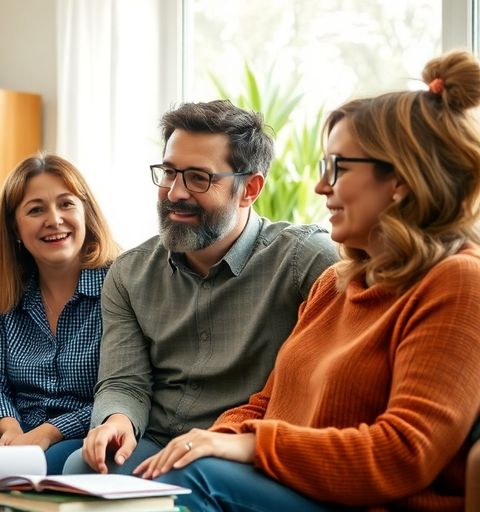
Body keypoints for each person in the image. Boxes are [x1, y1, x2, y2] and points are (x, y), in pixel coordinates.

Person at [137, 50, 480, 511]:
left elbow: (405, 452)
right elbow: (265, 402)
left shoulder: (458, 282)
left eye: (337, 168)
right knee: (170, 471)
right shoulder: (336, 282)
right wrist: (210, 439)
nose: (321, 187)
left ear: (399, 180)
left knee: (193, 479)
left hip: (366, 502)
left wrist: (253, 446)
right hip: (295, 489)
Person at [63, 100, 339, 476]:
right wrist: (116, 423)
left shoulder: (305, 261)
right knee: (83, 467)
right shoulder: (129, 273)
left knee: (189, 475)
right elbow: (124, 381)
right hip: (157, 441)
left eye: (198, 178)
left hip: (239, 449)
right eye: (169, 172)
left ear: (250, 189)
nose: (175, 192)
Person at [0, 153, 119, 478]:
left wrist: (48, 433)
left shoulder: (118, 287)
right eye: (36, 210)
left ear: (86, 213)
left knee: (49, 462)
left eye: (66, 204)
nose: (54, 219)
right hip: (18, 426)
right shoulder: (3, 296)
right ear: (15, 228)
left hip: (83, 431)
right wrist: (12, 431)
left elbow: (120, 391)